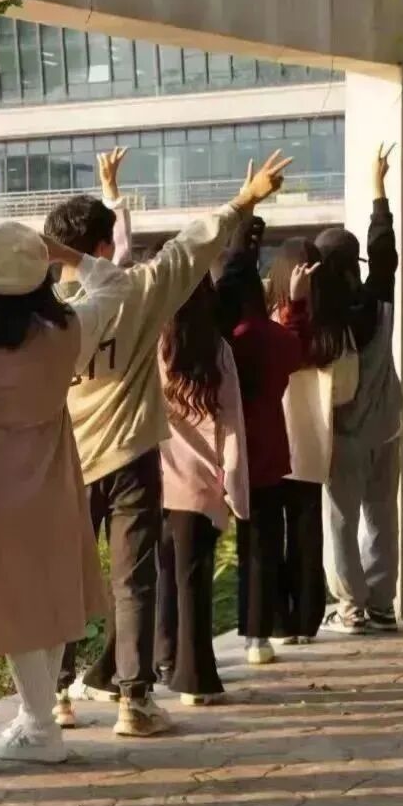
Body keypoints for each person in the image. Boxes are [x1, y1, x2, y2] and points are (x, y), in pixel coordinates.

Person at [46, 147, 291, 736]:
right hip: (130, 456)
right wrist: (245, 200)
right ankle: (134, 701)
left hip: (67, 459)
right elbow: (191, 248)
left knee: (63, 579)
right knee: (133, 580)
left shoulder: (43, 313)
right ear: (102, 246)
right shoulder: (138, 292)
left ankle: (56, 697)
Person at [0, 221, 131, 763]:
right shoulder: (69, 328)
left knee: (11, 601)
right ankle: (34, 718)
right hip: (57, 466)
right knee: (54, 590)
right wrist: (68, 255)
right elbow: (116, 284)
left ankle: (40, 725)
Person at [216, 211, 316, 665]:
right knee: (262, 545)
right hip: (270, 452)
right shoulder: (275, 338)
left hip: (218, 454)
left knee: (194, 554)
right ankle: (257, 637)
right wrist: (296, 305)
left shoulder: (223, 342)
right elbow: (298, 345)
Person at [315, 145, 403, 634]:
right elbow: (385, 254)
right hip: (387, 426)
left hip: (345, 435)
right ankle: (382, 603)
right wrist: (378, 189)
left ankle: (350, 608)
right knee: (382, 516)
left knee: (342, 522)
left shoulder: (324, 320)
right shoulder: (378, 298)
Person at [155, 274, 248, 705]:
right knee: (193, 584)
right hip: (200, 486)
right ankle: (195, 679)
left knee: (160, 577)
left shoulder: (153, 345)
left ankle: (163, 661)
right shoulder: (218, 350)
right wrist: (235, 492)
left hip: (155, 480)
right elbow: (232, 427)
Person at [265, 238, 344, 644]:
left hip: (275, 441)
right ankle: (307, 618)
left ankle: (280, 622)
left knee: (270, 536)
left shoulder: (271, 324)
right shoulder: (333, 327)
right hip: (313, 442)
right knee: (307, 532)